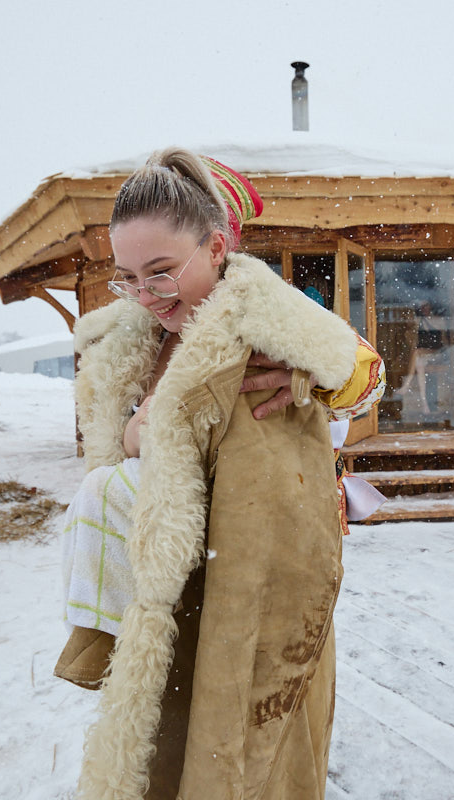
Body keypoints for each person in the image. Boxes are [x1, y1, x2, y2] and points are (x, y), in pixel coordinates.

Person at [53, 148, 384, 800]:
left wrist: (314, 374)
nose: (147, 296)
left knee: (254, 759)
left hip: (256, 588)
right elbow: (112, 446)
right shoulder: (130, 339)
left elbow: (365, 376)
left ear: (215, 245)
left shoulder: (269, 317)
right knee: (167, 757)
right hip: (168, 598)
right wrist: (133, 432)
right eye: (127, 277)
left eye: (162, 272)